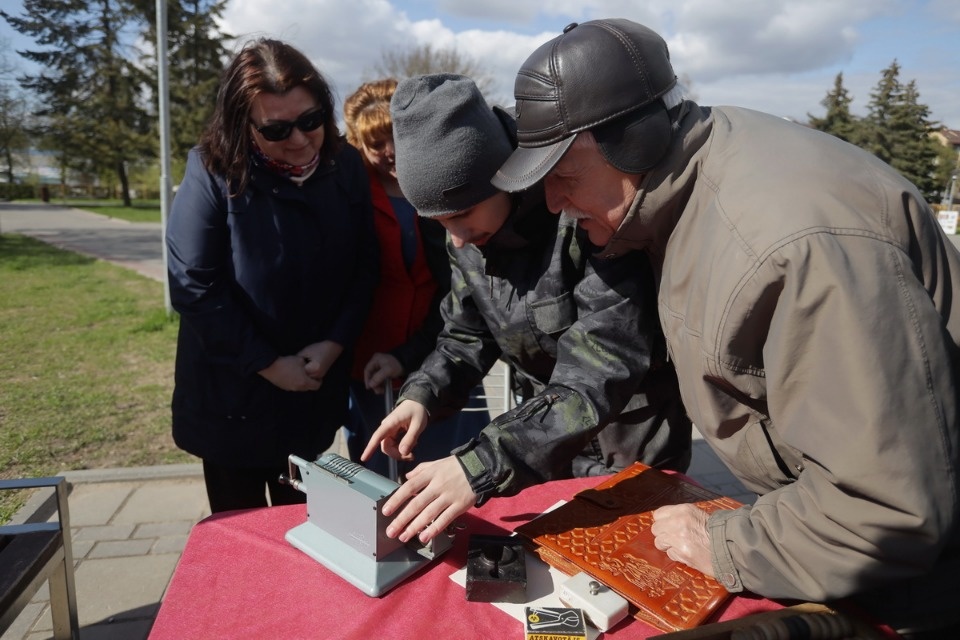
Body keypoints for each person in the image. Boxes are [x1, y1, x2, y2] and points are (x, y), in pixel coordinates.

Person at [491, 18, 960, 637]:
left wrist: (729, 543)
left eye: (564, 176)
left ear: (632, 143)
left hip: (917, 582)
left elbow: (886, 507)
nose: (552, 203)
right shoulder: (687, 179)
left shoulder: (789, 248)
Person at [362, 73, 692, 544]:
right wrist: (422, 394)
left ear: (503, 180)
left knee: (635, 571)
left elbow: (600, 368)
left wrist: (480, 465)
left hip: (631, 437)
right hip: (541, 441)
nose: (455, 240)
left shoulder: (582, 215)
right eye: (438, 224)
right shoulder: (468, 236)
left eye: (460, 217)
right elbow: (465, 334)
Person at [166, 38, 378, 513]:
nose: (300, 141)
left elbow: (366, 264)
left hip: (311, 388)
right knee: (241, 540)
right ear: (244, 126)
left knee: (306, 530)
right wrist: (266, 363)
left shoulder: (344, 166)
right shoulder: (213, 170)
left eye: (310, 120)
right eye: (278, 129)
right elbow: (194, 285)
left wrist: (335, 343)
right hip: (233, 398)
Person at [342, 78, 487, 476]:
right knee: (381, 473)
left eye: (394, 137)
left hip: (441, 347)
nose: (389, 152)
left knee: (452, 466)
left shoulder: (440, 183)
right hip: (371, 365)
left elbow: (456, 287)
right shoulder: (351, 194)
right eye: (375, 144)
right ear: (358, 145)